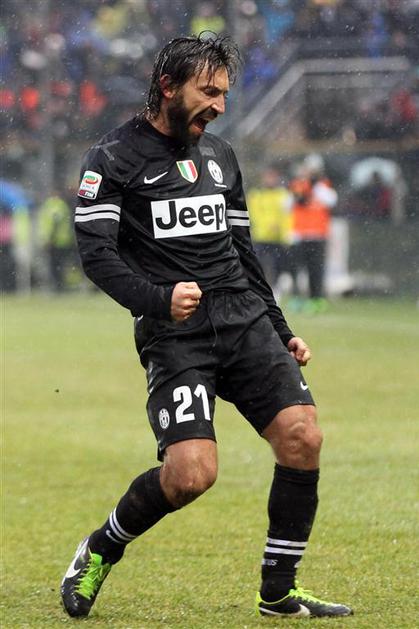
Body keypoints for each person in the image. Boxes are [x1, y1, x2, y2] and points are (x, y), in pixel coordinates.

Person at [61, 33, 352, 620]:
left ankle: (279, 591)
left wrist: (281, 328)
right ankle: (100, 548)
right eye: (209, 92)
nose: (219, 105)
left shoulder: (220, 156)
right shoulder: (113, 157)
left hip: (244, 320)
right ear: (168, 86)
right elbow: (96, 255)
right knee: (191, 475)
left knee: (303, 436)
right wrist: (159, 299)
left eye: (224, 94)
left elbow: (242, 253)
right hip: (176, 334)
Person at [288, 154, 338, 313]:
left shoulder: (323, 187)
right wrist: (299, 193)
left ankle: (316, 299)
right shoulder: (298, 185)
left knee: (315, 269)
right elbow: (287, 205)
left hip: (317, 235)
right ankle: (297, 298)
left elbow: (331, 200)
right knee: (296, 269)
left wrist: (314, 187)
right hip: (300, 235)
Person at [247, 164, 293, 293]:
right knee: (259, 265)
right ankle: (260, 289)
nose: (270, 180)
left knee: (278, 265)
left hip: (277, 238)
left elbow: (286, 216)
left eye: (272, 177)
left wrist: (286, 234)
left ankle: (276, 290)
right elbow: (253, 214)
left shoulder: (283, 195)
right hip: (260, 237)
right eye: (268, 177)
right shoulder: (256, 195)